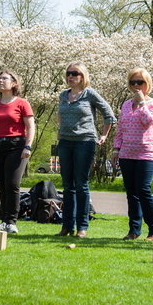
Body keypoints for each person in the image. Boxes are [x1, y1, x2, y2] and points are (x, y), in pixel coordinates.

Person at [55, 62, 116, 238]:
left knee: (81, 185)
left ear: (83, 76)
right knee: (68, 186)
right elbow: (61, 115)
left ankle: (82, 226)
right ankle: (67, 226)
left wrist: (104, 135)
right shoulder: (63, 95)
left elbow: (109, 114)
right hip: (65, 143)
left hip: (84, 142)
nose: (71, 76)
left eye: (75, 73)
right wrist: (60, 131)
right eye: (68, 73)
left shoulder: (90, 94)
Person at [0, 70, 35, 234]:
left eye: (5, 78)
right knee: (2, 186)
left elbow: (30, 126)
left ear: (14, 83)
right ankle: (4, 221)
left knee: (12, 185)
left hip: (16, 145)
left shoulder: (22, 103)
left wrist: (28, 146)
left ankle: (11, 222)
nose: (0, 81)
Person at [112, 68, 153, 242]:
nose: (136, 86)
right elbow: (120, 128)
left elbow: (148, 121)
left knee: (143, 190)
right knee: (131, 192)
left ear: (148, 84)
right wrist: (116, 149)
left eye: (140, 82)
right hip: (127, 153)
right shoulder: (126, 104)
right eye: (132, 82)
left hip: (146, 153)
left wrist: (142, 102)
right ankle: (134, 230)